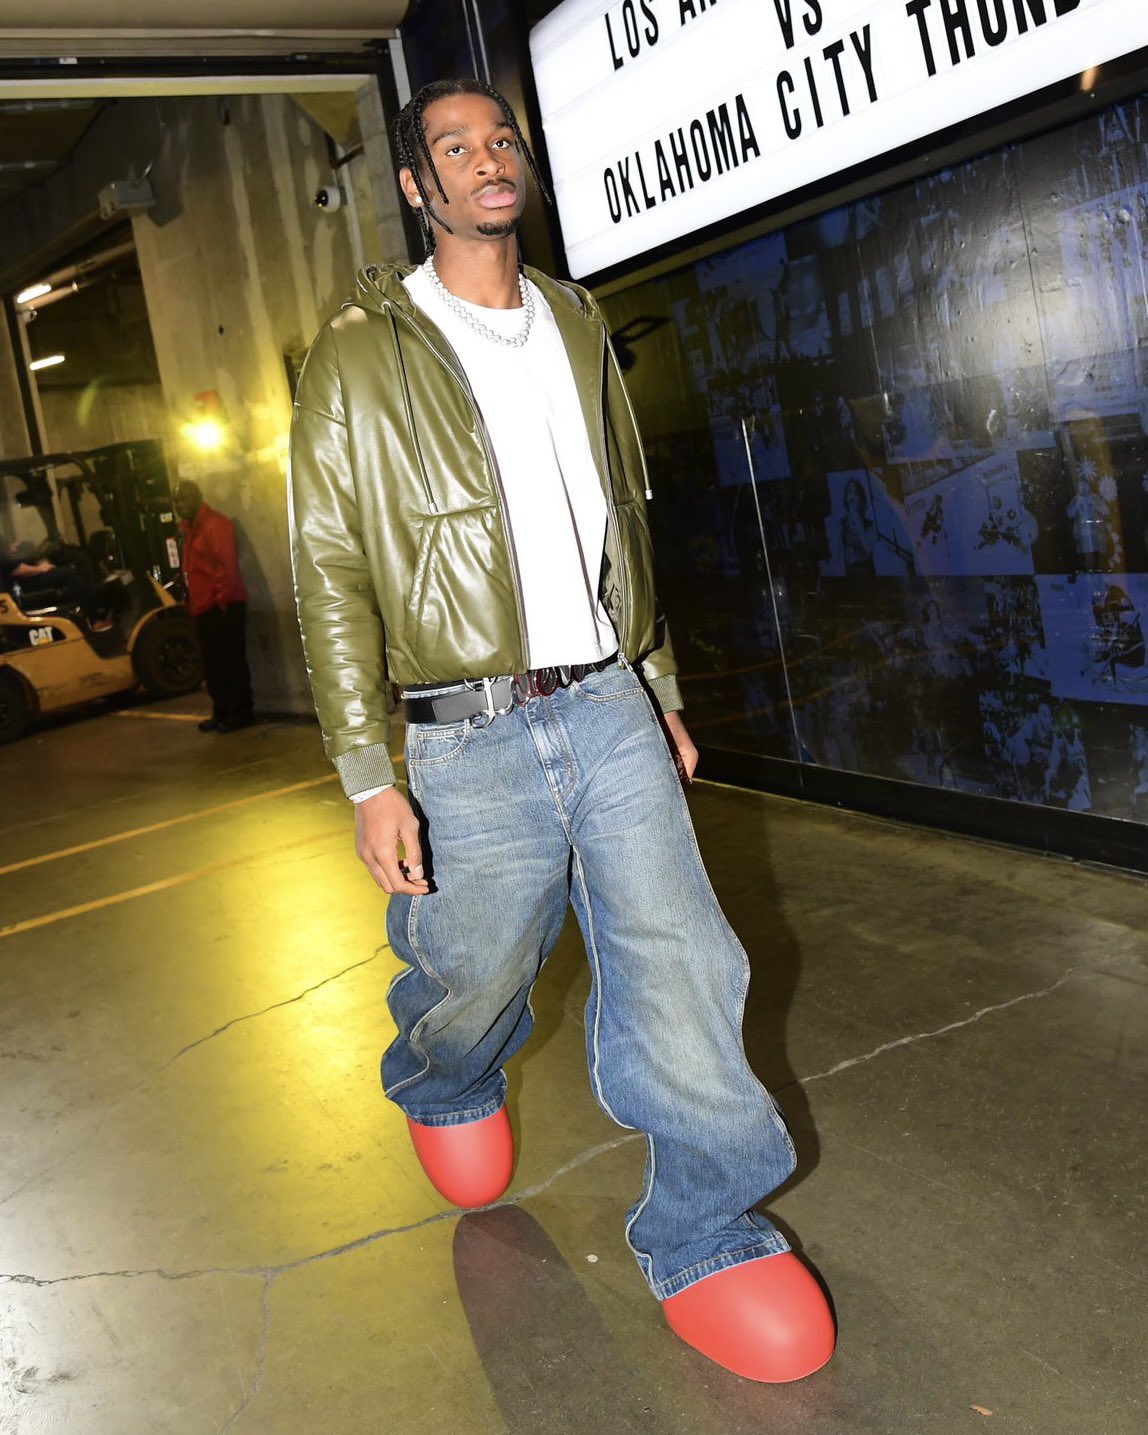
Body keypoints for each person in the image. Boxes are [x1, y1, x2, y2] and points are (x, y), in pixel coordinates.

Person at [287, 78, 834, 1383]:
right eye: (455, 148)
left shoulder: (578, 322)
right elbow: (327, 564)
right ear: (416, 187)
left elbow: (617, 526)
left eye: (500, 141)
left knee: (684, 961)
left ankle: (705, 1226)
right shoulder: (363, 351)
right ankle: (447, 1076)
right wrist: (371, 774)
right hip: (459, 735)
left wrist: (660, 688)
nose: (488, 160)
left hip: (605, 701)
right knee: (474, 970)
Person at [172, 481, 253, 732]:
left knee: (230, 661)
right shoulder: (190, 530)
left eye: (184, 499)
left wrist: (222, 600)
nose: (180, 506)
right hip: (204, 607)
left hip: (222, 605)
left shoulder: (215, 525)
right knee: (213, 664)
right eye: (177, 501)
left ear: (198, 497)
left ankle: (239, 712)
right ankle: (222, 710)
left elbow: (225, 566)